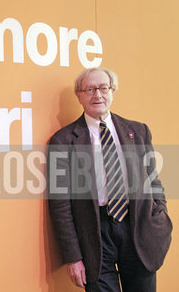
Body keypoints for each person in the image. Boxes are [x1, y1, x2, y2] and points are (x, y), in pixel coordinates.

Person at [47, 68, 172, 292]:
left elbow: (154, 180)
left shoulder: (138, 131)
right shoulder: (63, 141)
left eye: (104, 88)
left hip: (138, 228)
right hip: (95, 234)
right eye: (90, 89)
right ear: (79, 95)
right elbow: (60, 204)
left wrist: (159, 215)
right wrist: (73, 256)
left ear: (112, 91)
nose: (98, 95)